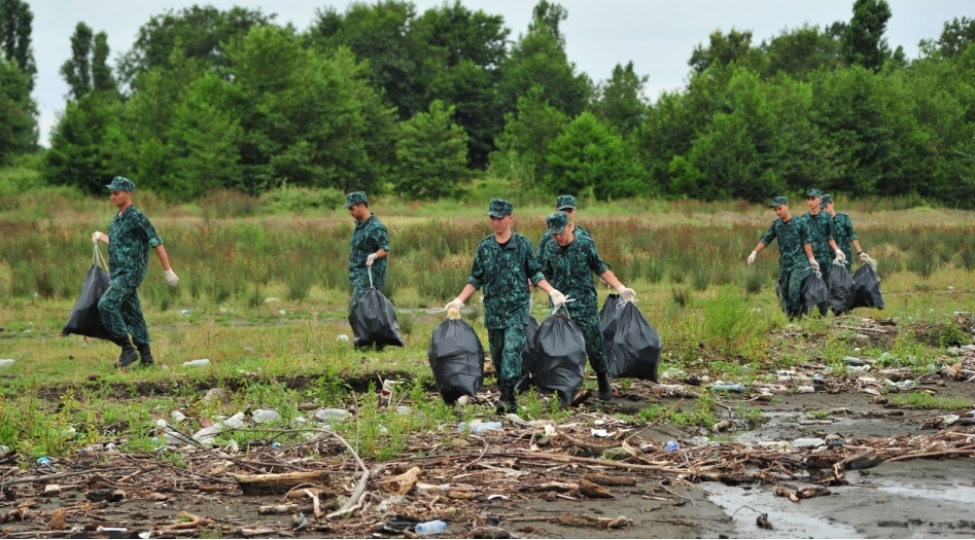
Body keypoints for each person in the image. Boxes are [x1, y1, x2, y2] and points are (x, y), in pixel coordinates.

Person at [445, 199, 565, 414]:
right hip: (494, 311)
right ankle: (506, 392)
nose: (496, 222)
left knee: (512, 350)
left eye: (500, 218)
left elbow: (535, 273)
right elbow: (475, 278)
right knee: (499, 356)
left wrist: (552, 291)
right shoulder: (484, 248)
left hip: (517, 310)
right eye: (492, 217)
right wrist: (459, 300)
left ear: (510, 218)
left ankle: (507, 397)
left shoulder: (522, 245)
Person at [536, 211, 636, 402]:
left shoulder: (584, 245)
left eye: (561, 232)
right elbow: (541, 275)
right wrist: (550, 291)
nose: (558, 237)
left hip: (584, 304)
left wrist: (620, 287)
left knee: (593, 344)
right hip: (561, 306)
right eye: (554, 234)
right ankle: (567, 389)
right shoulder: (549, 249)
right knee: (562, 348)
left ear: (570, 226)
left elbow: (600, 268)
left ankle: (602, 381)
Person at [91, 176, 178, 368]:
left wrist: (168, 271)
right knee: (133, 313)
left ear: (128, 194)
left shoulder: (137, 218)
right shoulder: (117, 220)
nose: (112, 197)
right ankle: (147, 358)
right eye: (111, 193)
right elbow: (118, 243)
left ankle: (127, 348)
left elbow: (156, 241)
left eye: (116, 193)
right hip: (118, 272)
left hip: (131, 272)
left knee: (106, 304)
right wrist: (100, 236)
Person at [746, 196, 817, 319]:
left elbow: (807, 242)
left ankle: (797, 316)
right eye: (775, 210)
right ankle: (790, 315)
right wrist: (754, 252)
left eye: (780, 208)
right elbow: (766, 239)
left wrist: (811, 259)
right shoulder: (777, 225)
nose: (778, 212)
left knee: (794, 287)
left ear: (787, 206)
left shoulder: (800, 222)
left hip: (799, 260)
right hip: (785, 262)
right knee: (785, 290)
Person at [345, 191, 389, 337]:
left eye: (352, 208)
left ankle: (365, 342)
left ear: (362, 206)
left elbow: (385, 249)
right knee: (364, 311)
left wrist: (375, 255)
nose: (350, 212)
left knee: (356, 309)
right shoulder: (360, 226)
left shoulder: (376, 226)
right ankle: (370, 341)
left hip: (370, 274)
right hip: (359, 273)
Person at [799, 189, 845, 283]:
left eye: (813, 198)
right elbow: (802, 241)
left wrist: (837, 250)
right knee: (808, 286)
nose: (810, 201)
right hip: (809, 259)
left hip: (824, 258)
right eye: (808, 199)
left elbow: (829, 237)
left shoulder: (827, 218)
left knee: (827, 285)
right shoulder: (803, 219)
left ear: (819, 200)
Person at [821, 193, 871, 268]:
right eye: (822, 208)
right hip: (828, 259)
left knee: (846, 279)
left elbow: (852, 235)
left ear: (832, 204)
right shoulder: (821, 222)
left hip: (844, 257)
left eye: (826, 207)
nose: (824, 210)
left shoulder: (844, 218)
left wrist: (860, 252)